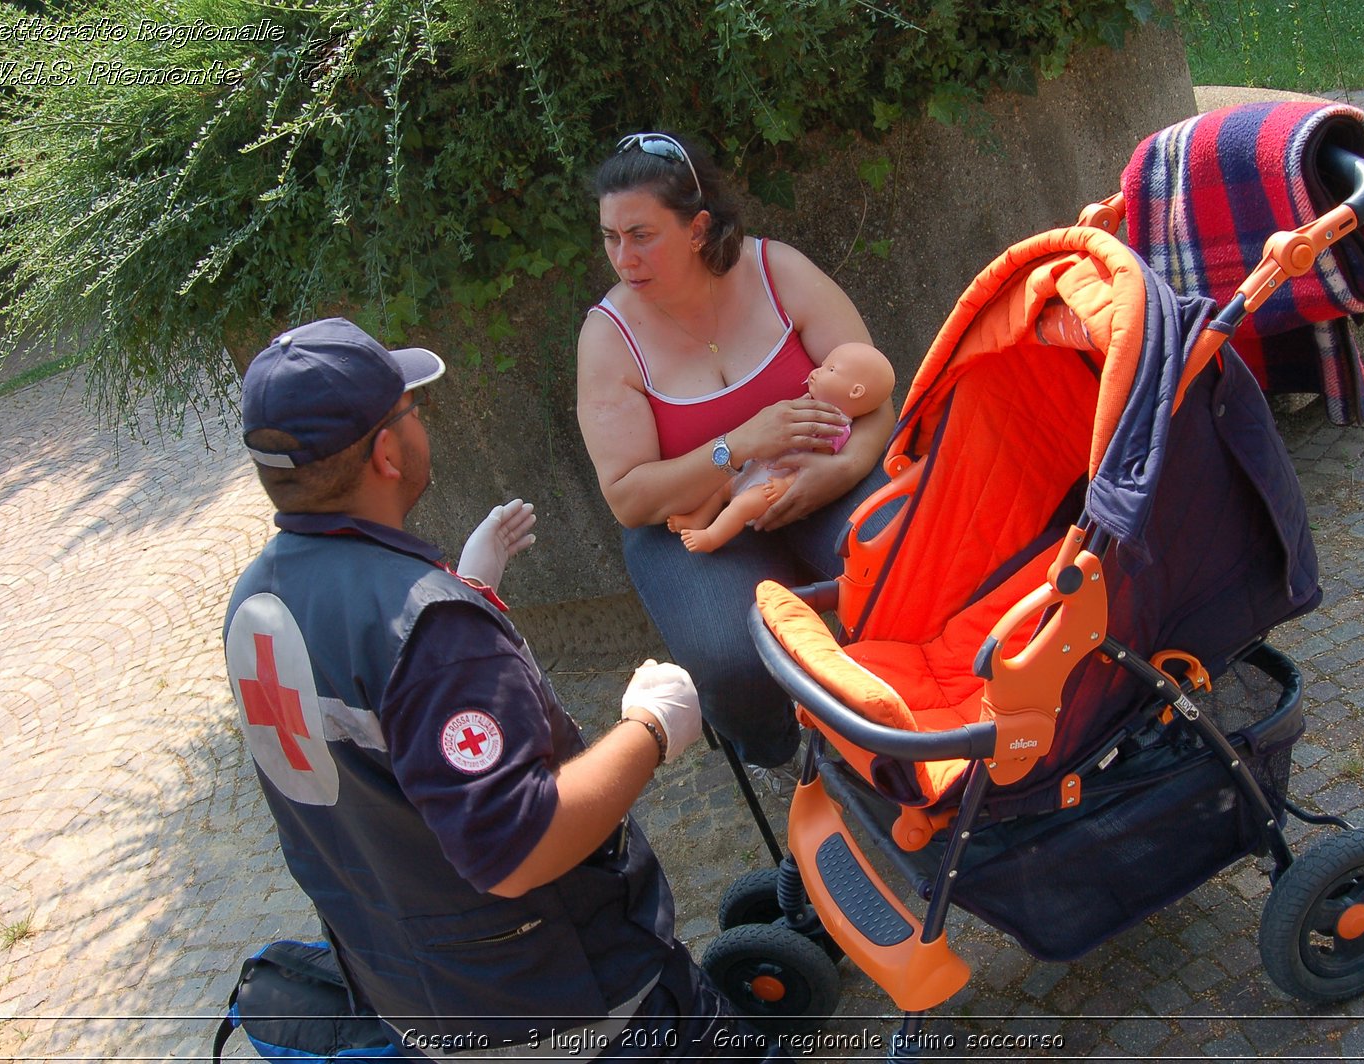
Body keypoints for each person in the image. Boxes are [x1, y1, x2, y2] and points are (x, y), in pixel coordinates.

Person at [223, 317, 787, 1060]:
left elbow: (384, 738)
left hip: (414, 993)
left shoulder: (254, 602)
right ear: (387, 452)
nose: (421, 425)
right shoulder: (428, 634)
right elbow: (522, 847)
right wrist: (651, 727)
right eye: (410, 410)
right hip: (567, 1003)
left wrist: (466, 589)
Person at [577, 132, 894, 769]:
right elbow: (628, 497)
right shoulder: (608, 338)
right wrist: (738, 445)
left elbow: (877, 394)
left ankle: (912, 697)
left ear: (697, 228)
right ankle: (785, 755)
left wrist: (846, 468)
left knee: (904, 555)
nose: (622, 257)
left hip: (825, 472)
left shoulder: (779, 272)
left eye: (641, 234)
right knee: (735, 654)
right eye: (611, 237)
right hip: (690, 521)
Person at [669, 341, 895, 554]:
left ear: (855, 392)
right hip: (758, 466)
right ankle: (698, 518)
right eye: (823, 365)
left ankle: (711, 537)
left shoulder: (834, 428)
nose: (817, 371)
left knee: (742, 505)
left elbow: (814, 470)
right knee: (719, 486)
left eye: (831, 370)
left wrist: (786, 484)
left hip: (774, 485)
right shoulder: (809, 403)